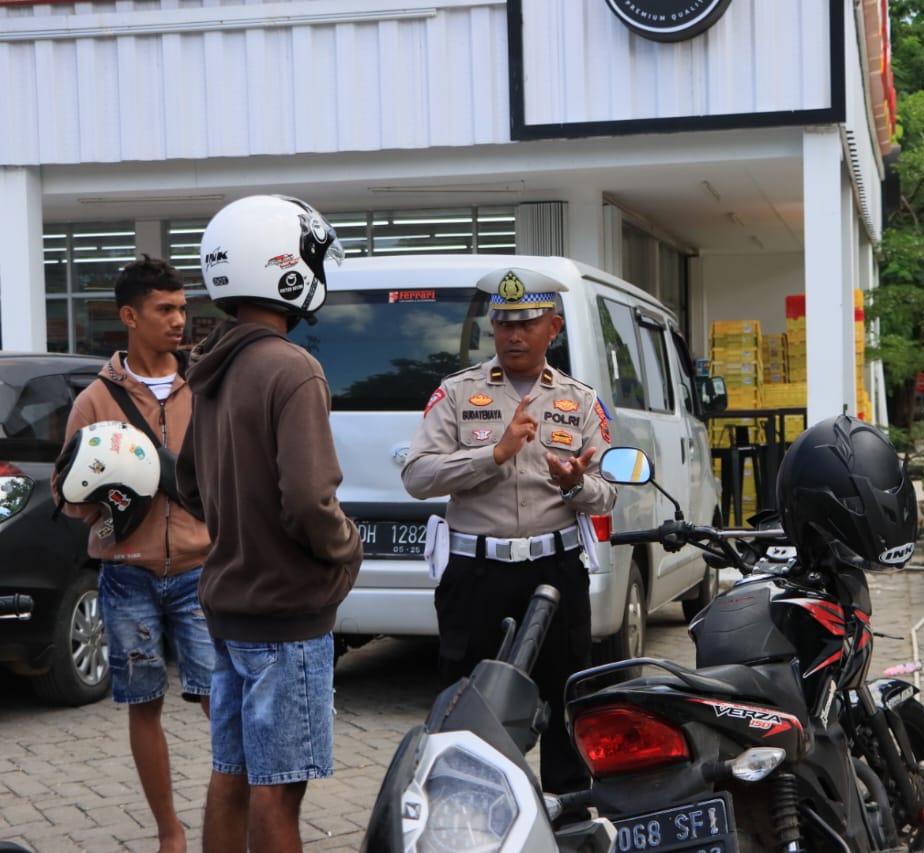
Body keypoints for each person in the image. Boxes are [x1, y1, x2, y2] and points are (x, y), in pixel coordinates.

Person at [176, 194, 363, 853]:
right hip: (286, 619)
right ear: (286, 267)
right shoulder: (292, 368)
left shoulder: (211, 370)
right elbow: (310, 500)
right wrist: (347, 550)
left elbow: (188, 483)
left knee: (232, 774)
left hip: (226, 610)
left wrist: (238, 523)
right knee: (278, 788)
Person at [401, 266, 617, 797]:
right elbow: (417, 475)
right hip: (476, 573)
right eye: (503, 323)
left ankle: (568, 814)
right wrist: (492, 455)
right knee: (466, 696)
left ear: (554, 329)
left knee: (566, 696)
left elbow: (608, 490)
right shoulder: (457, 394)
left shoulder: (581, 400)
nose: (513, 335)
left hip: (555, 571)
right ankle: (468, 808)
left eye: (527, 323)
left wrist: (573, 486)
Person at [55, 255, 213, 853]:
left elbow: (228, 472)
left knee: (218, 700)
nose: (178, 321)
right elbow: (65, 495)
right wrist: (105, 488)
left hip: (202, 569)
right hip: (125, 575)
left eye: (182, 309)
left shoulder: (203, 385)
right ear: (129, 316)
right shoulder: (95, 399)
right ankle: (170, 834)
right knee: (143, 704)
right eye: (164, 310)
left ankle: (238, 813)